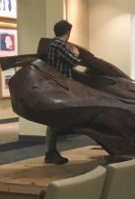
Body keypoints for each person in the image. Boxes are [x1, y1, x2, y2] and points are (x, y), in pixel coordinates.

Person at [45, 20, 81, 165]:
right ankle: (50, 152)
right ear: (67, 32)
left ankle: (51, 151)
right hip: (59, 85)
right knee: (54, 119)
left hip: (56, 84)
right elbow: (72, 61)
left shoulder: (53, 44)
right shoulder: (59, 44)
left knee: (54, 120)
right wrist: (76, 53)